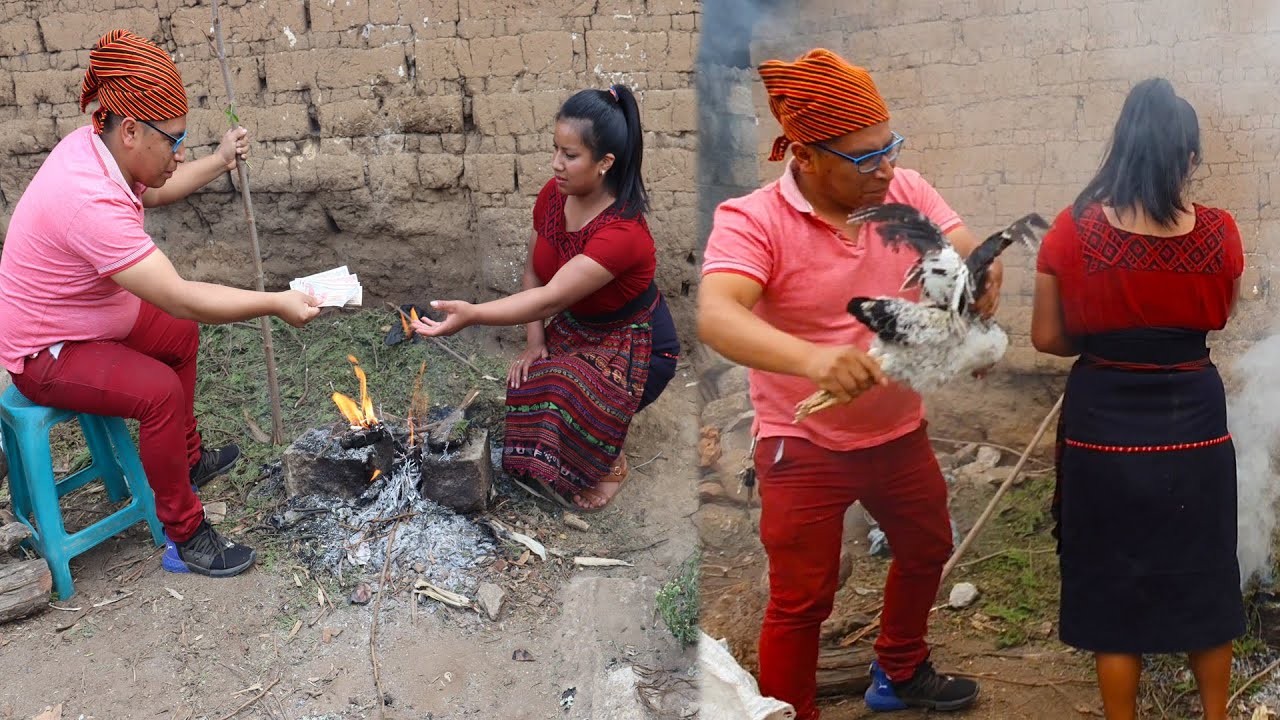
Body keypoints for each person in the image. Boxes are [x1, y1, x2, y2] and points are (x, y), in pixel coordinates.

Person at [698, 48, 995, 717]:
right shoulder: (754, 221)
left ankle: (899, 669)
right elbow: (717, 315)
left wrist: (980, 272)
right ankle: (788, 710)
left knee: (927, 547)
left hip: (897, 432)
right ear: (804, 155)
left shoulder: (903, 191)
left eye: (889, 147)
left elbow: (963, 244)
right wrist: (813, 360)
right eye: (865, 158)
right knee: (802, 598)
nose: (885, 167)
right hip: (801, 442)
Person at [0, 29, 321, 578]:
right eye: (172, 140)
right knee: (159, 393)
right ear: (130, 130)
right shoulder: (89, 200)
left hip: (88, 318)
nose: (178, 152)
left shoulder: (101, 149)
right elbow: (180, 295)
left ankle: (185, 462)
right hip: (47, 352)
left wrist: (221, 161)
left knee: (178, 337)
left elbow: (159, 186)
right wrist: (275, 302)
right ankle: (186, 534)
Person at [1031, 77, 1244, 720]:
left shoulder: (1071, 232)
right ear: (1187, 157)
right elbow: (1220, 318)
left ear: (1120, 150)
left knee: (1111, 589)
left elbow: (1047, 338)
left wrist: (1104, 329)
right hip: (1196, 422)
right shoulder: (1221, 232)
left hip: (1105, 425)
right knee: (1204, 576)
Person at [412, 84, 680, 512]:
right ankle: (584, 430)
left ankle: (610, 459)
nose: (556, 164)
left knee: (564, 388)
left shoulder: (622, 233)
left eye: (570, 155)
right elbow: (534, 272)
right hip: (579, 326)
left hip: (637, 345)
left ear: (605, 163)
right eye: (555, 149)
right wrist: (536, 343)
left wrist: (473, 314)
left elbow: (549, 298)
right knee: (527, 381)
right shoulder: (555, 196)